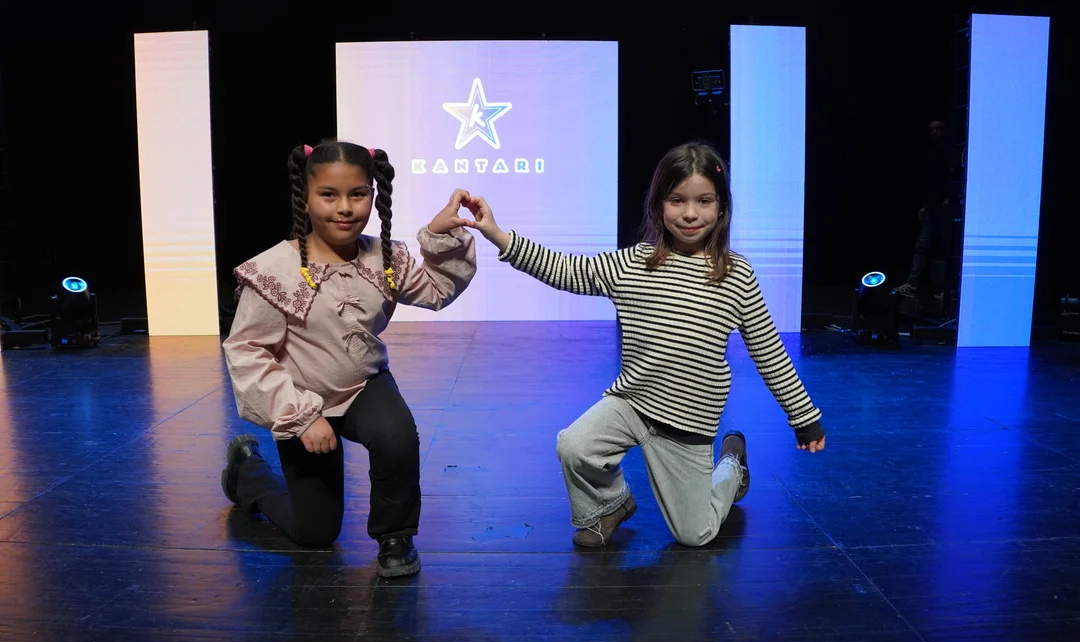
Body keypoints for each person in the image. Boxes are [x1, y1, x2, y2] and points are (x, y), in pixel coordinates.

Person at [460, 141, 825, 548]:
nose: (690, 213)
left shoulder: (735, 274)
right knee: (574, 445)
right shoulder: (633, 263)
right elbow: (565, 270)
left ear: (722, 207)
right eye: (677, 200)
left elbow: (769, 352)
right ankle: (610, 505)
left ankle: (732, 466)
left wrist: (803, 416)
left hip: (687, 422)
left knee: (696, 534)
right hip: (633, 403)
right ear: (658, 205)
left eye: (704, 201)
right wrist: (497, 234)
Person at [219, 140, 477, 577]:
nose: (344, 208)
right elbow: (248, 350)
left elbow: (437, 290)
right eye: (329, 195)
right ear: (306, 198)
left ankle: (395, 536)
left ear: (373, 197)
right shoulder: (275, 271)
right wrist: (302, 417)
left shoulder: (384, 258)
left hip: (363, 385)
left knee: (397, 436)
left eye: (357, 194)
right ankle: (248, 474)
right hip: (303, 399)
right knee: (315, 532)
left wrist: (439, 233)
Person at [894, 119, 954, 299]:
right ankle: (912, 285)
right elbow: (927, 181)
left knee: (948, 249)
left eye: (938, 129)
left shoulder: (951, 152)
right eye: (931, 130)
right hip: (931, 207)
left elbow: (953, 177)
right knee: (922, 246)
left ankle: (950, 289)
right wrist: (923, 205)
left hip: (945, 208)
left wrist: (950, 198)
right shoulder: (930, 153)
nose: (934, 132)